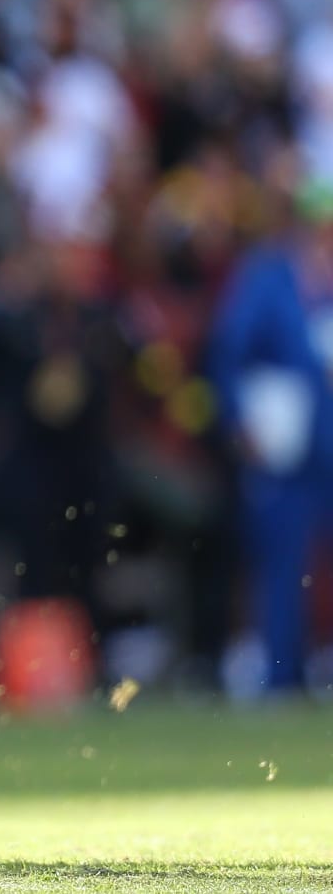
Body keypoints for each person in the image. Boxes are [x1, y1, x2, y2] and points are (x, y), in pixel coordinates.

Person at [205, 179, 333, 692]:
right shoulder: (268, 277)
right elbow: (228, 354)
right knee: (282, 561)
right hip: (286, 448)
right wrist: (241, 422)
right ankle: (282, 676)